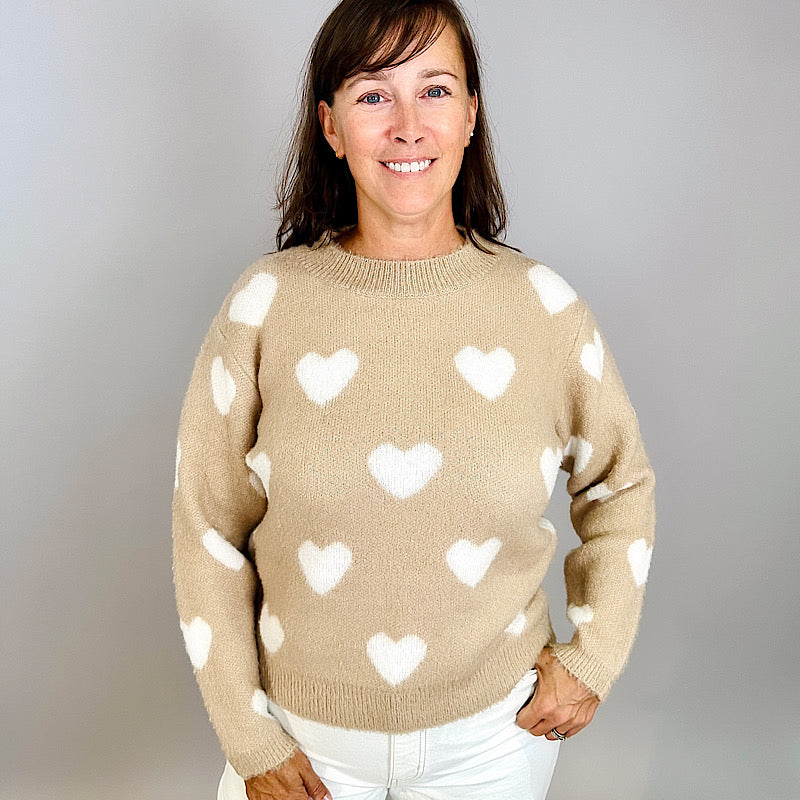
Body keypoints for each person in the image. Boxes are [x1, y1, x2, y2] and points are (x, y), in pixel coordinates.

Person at [171, 0, 656, 798]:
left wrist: (594, 657)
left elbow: (620, 485)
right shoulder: (264, 306)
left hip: (494, 744)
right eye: (373, 95)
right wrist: (248, 739)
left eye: (434, 90)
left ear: (470, 115)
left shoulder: (544, 309)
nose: (407, 126)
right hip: (300, 747)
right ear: (331, 127)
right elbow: (206, 531)